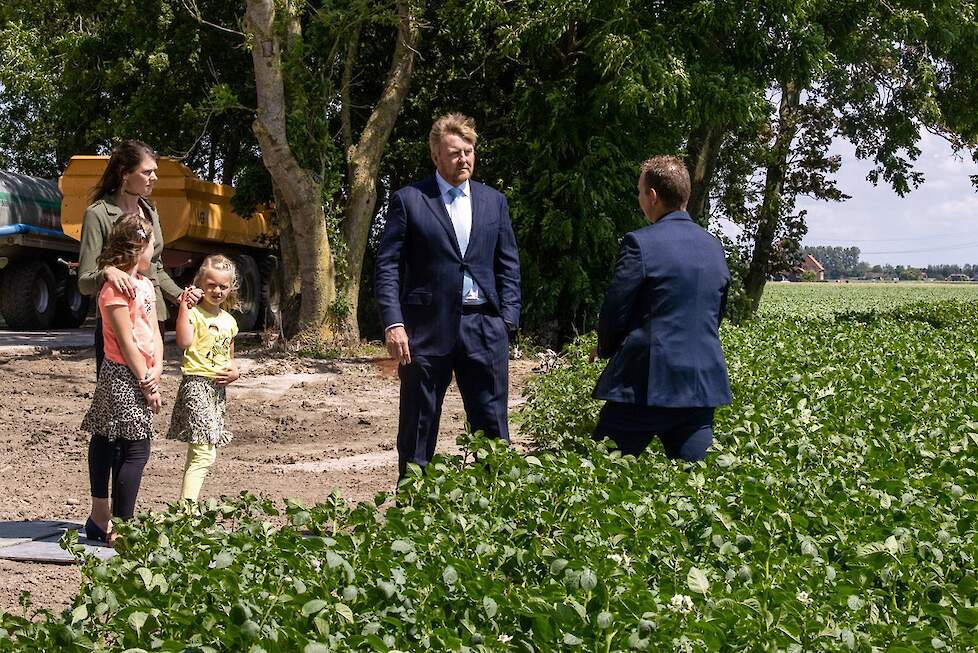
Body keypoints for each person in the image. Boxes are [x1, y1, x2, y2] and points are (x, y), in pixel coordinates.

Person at [375, 113, 521, 479]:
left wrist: (507, 321)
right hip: (424, 332)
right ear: (436, 156)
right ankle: (412, 512)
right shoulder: (409, 200)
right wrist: (394, 323)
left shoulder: (494, 202)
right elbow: (387, 266)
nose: (464, 159)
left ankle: (495, 507)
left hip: (485, 328)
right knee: (418, 428)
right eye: (455, 153)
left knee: (492, 428)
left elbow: (509, 265)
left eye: (469, 151)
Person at [591, 155, 732, 461]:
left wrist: (606, 347)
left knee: (600, 475)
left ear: (652, 196)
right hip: (699, 385)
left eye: (640, 192)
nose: (640, 198)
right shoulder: (714, 246)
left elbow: (615, 309)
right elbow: (715, 313)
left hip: (645, 383)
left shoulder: (639, 243)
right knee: (695, 485)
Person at [76, 139, 201, 376]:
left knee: (148, 391)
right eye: (147, 172)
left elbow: (155, 267)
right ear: (124, 173)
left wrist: (180, 296)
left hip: (153, 316)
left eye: (154, 171)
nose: (154, 177)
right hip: (118, 319)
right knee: (119, 395)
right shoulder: (98, 214)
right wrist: (108, 272)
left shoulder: (150, 211)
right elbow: (84, 281)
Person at [81, 213, 163, 545]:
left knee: (114, 441)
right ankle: (121, 529)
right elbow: (125, 340)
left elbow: (154, 332)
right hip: (122, 375)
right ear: (136, 248)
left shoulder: (144, 285)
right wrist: (145, 380)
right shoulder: (114, 289)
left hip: (144, 373)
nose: (154, 253)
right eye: (151, 247)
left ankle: (103, 522)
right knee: (135, 450)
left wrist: (157, 368)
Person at [166, 255, 241, 501]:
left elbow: (229, 355)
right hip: (196, 386)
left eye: (223, 286)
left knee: (198, 451)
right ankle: (188, 512)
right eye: (211, 285)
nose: (217, 291)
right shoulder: (194, 315)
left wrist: (234, 372)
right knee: (204, 454)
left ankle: (185, 508)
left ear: (230, 288)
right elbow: (184, 342)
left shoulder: (229, 321)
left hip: (217, 391)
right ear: (200, 283)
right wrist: (184, 308)